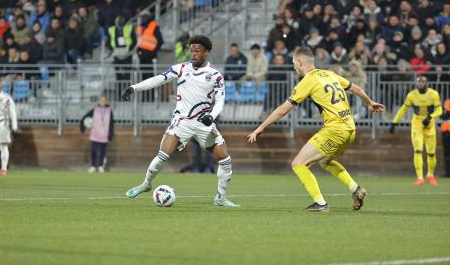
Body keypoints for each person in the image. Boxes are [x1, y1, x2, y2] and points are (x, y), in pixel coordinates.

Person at [247, 47, 385, 212]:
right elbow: (357, 89)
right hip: (350, 129)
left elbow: (283, 110)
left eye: (293, 63)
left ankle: (320, 203)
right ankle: (356, 189)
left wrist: (261, 127)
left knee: (298, 163)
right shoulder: (329, 74)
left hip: (335, 130)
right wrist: (369, 103)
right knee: (324, 161)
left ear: (299, 62)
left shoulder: (308, 80)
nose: (294, 67)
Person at [121, 35, 239, 207]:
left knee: (225, 160)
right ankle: (146, 184)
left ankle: (220, 198)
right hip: (181, 122)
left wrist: (211, 116)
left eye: (197, 51)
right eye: (191, 51)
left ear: (206, 52)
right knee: (162, 156)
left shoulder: (215, 75)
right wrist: (134, 87)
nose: (193, 54)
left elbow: (220, 101)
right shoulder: (181, 68)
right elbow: (158, 79)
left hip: (203, 123)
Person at [390, 76, 443, 185]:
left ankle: (430, 175)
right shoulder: (412, 95)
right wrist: (394, 122)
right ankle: (420, 178)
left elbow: (440, 110)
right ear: (416, 83)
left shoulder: (433, 94)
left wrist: (430, 117)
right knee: (418, 150)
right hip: (417, 123)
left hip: (430, 124)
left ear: (427, 83)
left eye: (423, 81)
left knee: (431, 153)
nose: (421, 83)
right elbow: (403, 109)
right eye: (419, 81)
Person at [80, 95, 114, 173]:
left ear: (106, 102)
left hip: (104, 134)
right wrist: (82, 126)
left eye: (104, 100)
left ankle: (101, 166)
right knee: (93, 151)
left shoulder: (109, 111)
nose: (102, 102)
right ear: (99, 101)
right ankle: (93, 166)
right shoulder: (95, 109)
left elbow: (111, 123)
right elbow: (85, 117)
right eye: (101, 100)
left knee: (103, 151)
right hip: (95, 134)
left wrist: (111, 134)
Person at [442, 99, 450, 177]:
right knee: (447, 154)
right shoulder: (447, 101)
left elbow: (445, 116)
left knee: (447, 154)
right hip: (446, 131)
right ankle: (447, 173)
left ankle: (448, 173)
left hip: (447, 131)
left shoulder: (447, 102)